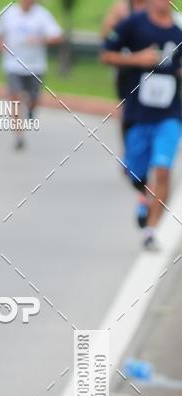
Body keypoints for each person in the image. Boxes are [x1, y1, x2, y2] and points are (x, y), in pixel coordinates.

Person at [102, 0, 182, 250]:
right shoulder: (132, 24)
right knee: (136, 171)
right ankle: (143, 196)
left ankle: (149, 231)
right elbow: (106, 54)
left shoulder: (178, 31)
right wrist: (138, 59)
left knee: (163, 170)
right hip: (137, 113)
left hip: (170, 113)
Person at [0, 0, 62, 151]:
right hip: (12, 64)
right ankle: (19, 136)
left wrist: (39, 40)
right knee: (15, 98)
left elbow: (57, 35)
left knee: (34, 98)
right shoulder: (8, 12)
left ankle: (31, 110)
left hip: (35, 66)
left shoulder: (42, 15)